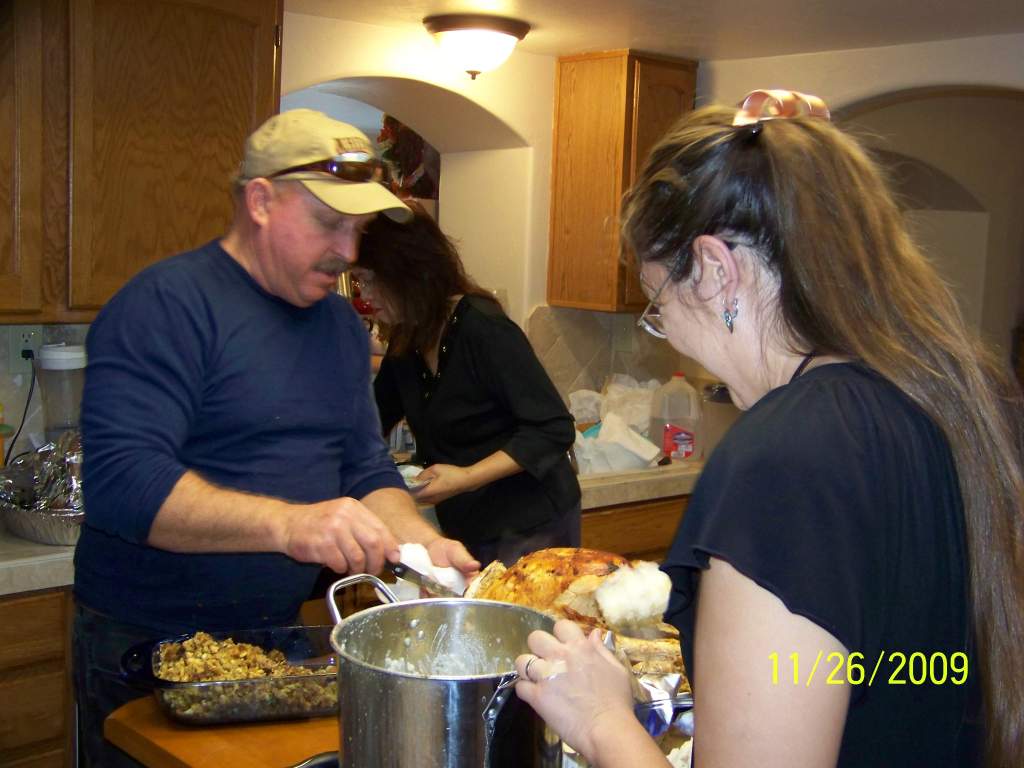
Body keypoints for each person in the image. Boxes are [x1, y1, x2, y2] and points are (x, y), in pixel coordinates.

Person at [512, 90, 1024, 768]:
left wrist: (601, 720)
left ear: (716, 271)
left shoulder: (784, 458)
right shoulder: (938, 401)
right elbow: (896, 671)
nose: (668, 333)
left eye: (659, 304)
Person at [73, 109, 479, 767]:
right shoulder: (165, 305)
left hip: (277, 639)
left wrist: (420, 546)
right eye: (328, 223)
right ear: (261, 201)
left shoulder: (339, 329)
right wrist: (292, 526)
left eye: (357, 230)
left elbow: (363, 466)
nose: (348, 252)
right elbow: (125, 487)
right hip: (148, 646)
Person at [352, 205, 582, 566]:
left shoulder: (483, 328)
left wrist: (467, 478)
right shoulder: (407, 340)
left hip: (533, 522)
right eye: (358, 282)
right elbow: (370, 422)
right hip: (469, 524)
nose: (365, 295)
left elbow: (552, 428)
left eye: (369, 280)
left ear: (405, 271)